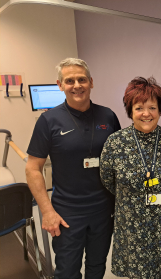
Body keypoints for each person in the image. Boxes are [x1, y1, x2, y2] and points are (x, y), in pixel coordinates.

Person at [25, 58, 121, 279]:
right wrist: (47, 212)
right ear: (60, 85)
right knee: (67, 272)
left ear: (91, 82)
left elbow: (120, 160)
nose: (76, 85)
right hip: (67, 213)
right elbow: (32, 169)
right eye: (70, 81)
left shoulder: (108, 116)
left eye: (82, 79)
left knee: (97, 268)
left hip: (103, 210)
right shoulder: (48, 121)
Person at [100, 76, 161, 278]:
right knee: (136, 273)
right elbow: (107, 179)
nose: (146, 114)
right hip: (131, 222)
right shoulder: (116, 142)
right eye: (139, 108)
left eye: (152, 108)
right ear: (130, 111)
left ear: (160, 110)